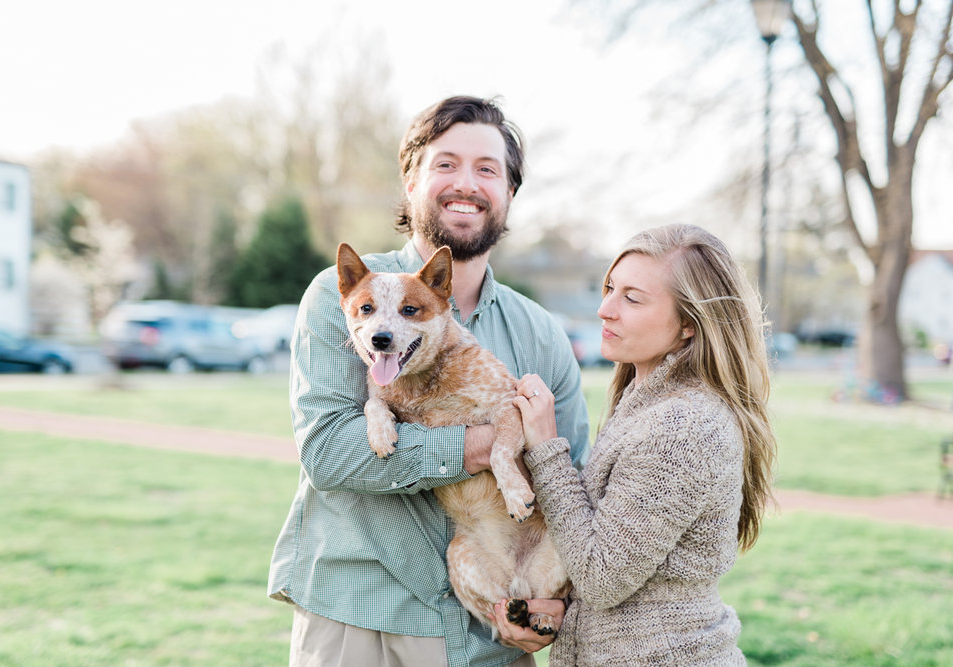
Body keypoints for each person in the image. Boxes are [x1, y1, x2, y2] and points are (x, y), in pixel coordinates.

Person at [267, 95, 590, 667]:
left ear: (510, 192)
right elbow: (328, 452)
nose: (466, 183)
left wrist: (553, 605)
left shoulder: (539, 331)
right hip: (359, 614)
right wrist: (479, 447)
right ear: (410, 179)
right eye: (445, 164)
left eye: (487, 169)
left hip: (490, 631)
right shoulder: (341, 298)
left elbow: (576, 480)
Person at [492, 223, 777, 665]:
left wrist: (547, 450)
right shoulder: (646, 402)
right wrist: (562, 610)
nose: (605, 309)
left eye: (632, 298)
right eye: (610, 288)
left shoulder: (684, 427)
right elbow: (619, 562)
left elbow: (602, 577)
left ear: (688, 324)